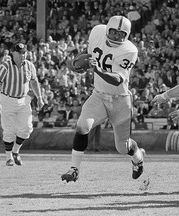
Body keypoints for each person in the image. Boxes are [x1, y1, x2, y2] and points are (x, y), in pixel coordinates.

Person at [61, 16, 145, 182]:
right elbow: (91, 54)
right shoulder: (97, 31)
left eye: (121, 34)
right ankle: (74, 169)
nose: (116, 37)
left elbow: (117, 79)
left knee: (122, 147)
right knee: (82, 126)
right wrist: (79, 63)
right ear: (107, 30)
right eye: (113, 32)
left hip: (120, 100)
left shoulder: (130, 50)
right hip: (99, 94)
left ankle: (138, 158)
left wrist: (96, 69)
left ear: (127, 35)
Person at [0, 43, 44, 166]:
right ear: (13, 53)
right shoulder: (5, 66)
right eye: (20, 52)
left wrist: (39, 97)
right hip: (7, 100)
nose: (22, 55)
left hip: (23, 100)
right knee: (9, 130)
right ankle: (9, 157)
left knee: (27, 129)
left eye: (24, 52)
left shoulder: (30, 66)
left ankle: (15, 151)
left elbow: (34, 82)